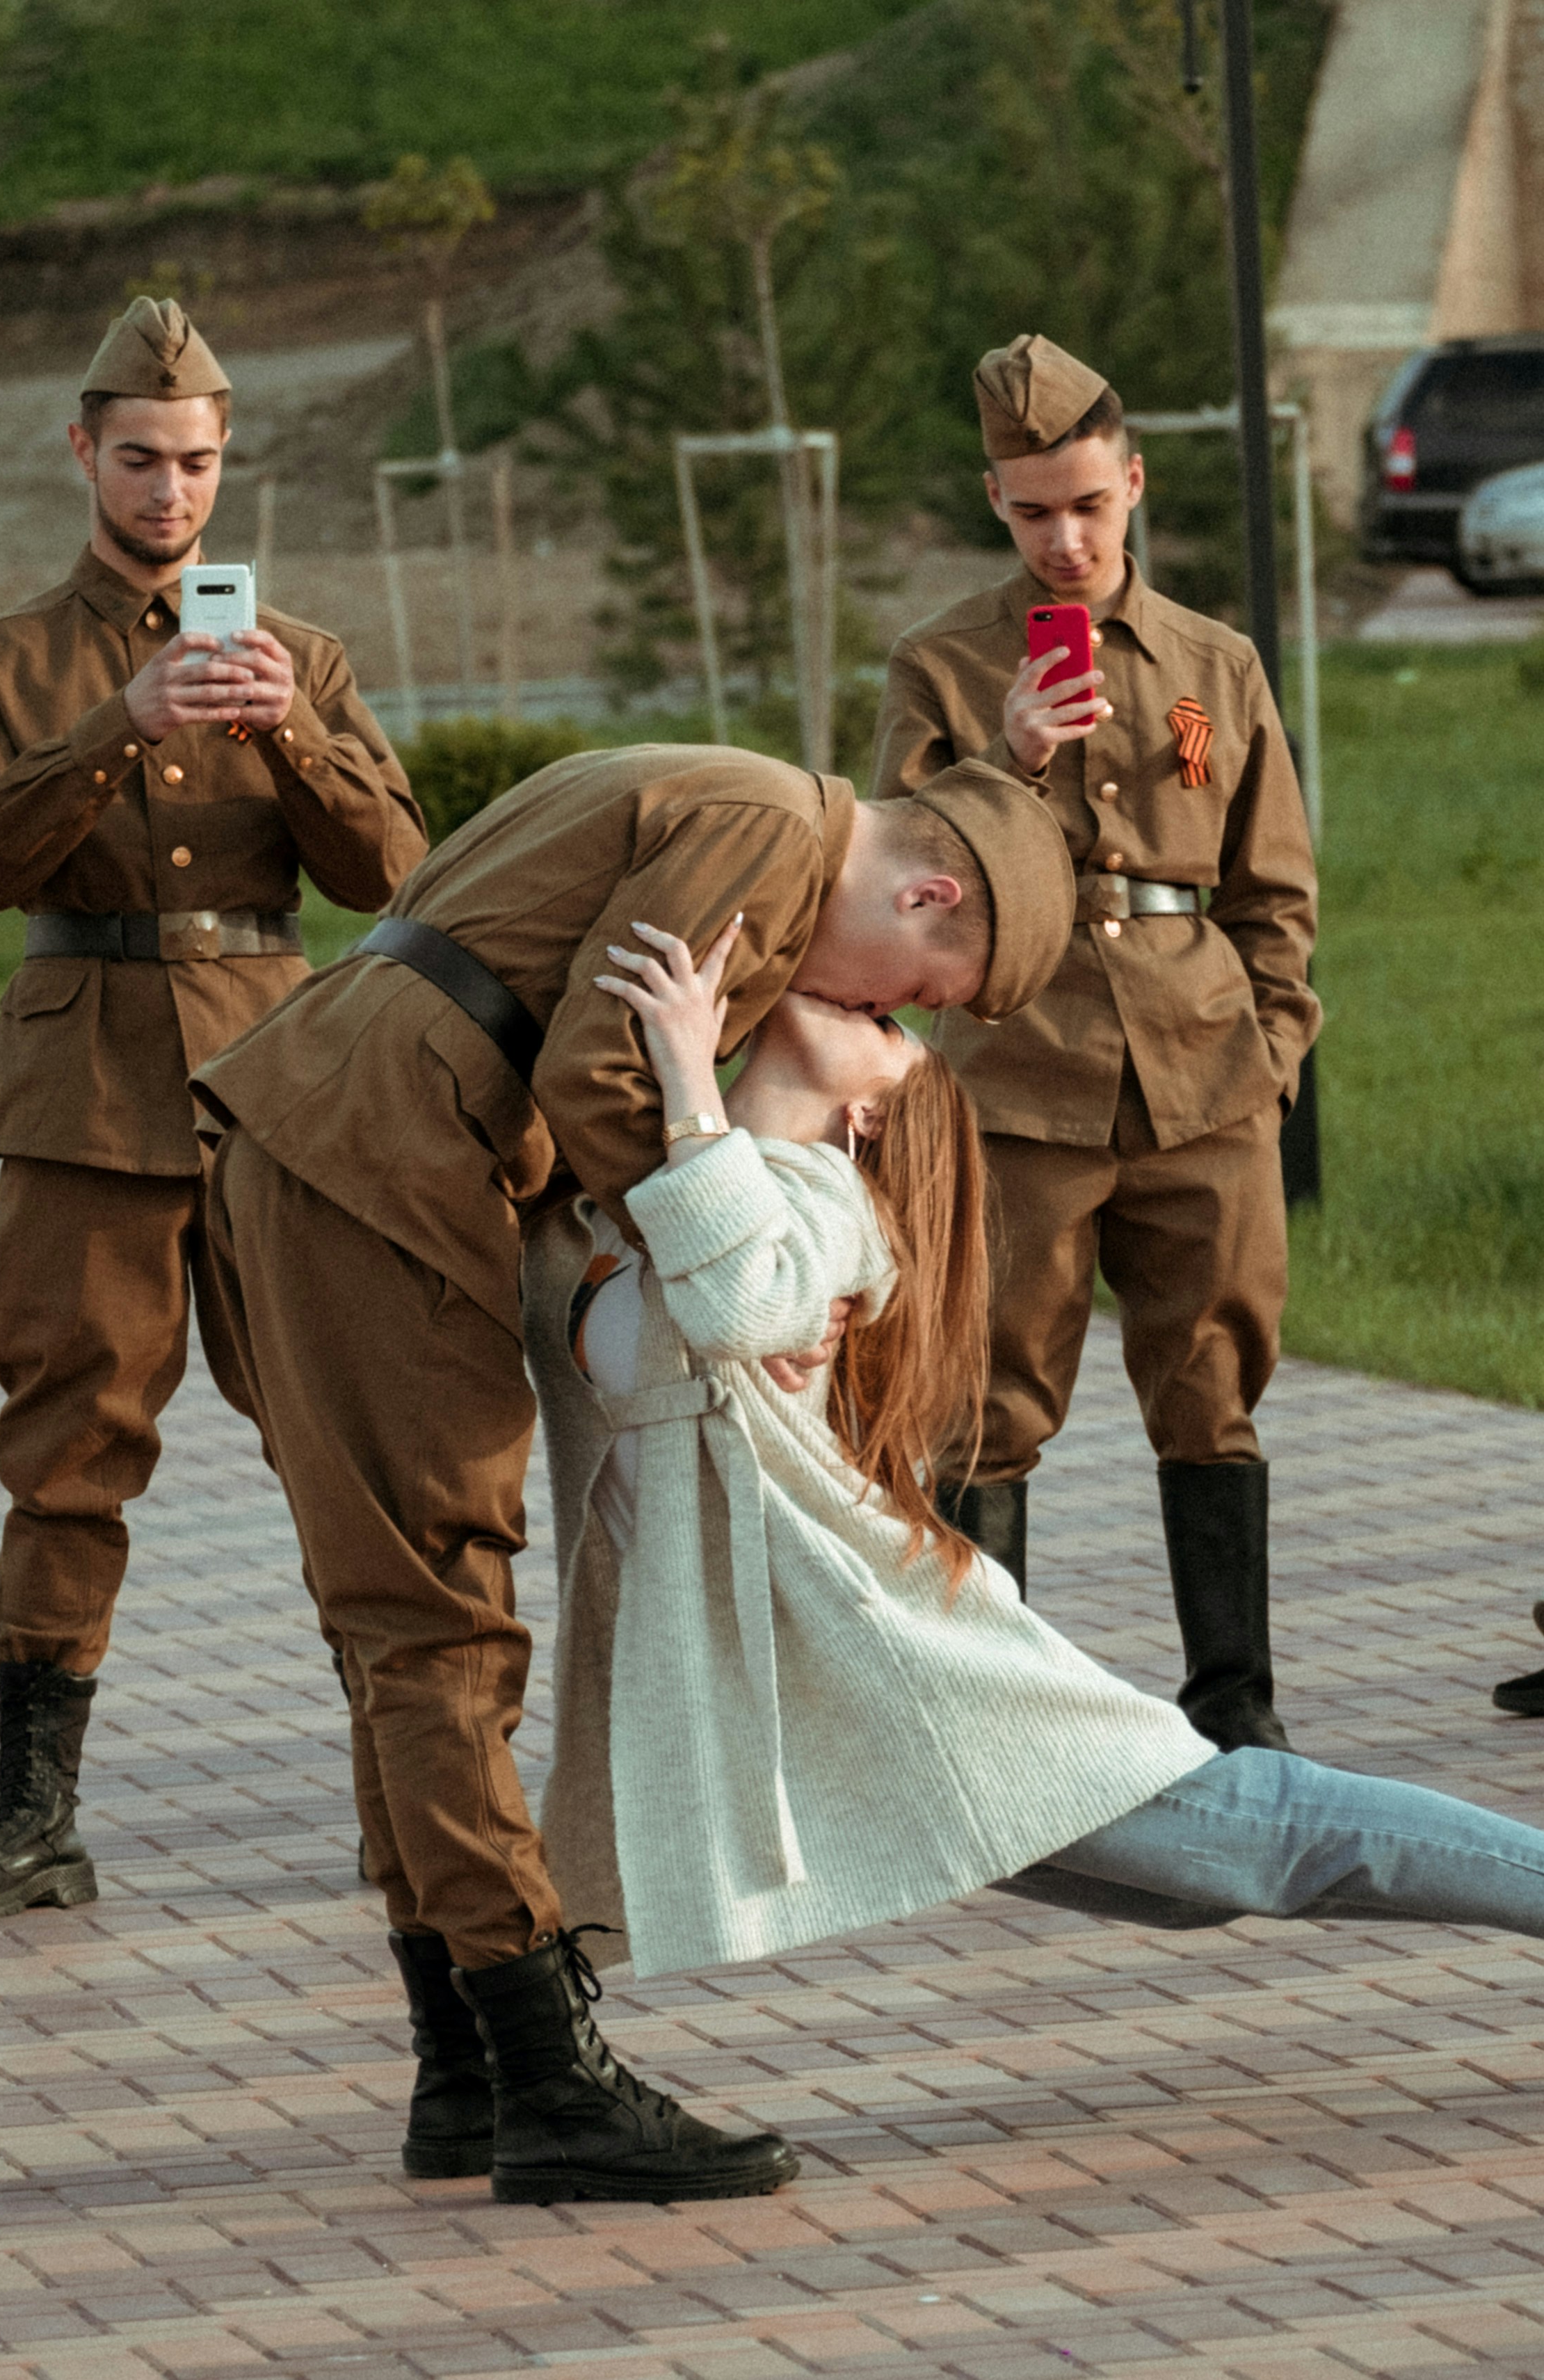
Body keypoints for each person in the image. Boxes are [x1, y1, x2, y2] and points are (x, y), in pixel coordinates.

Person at [191, 743, 1076, 2203]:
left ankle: (464, 2071)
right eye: (914, 993)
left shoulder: (726, 787)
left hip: (339, 1131)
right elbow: (601, 1073)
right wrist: (719, 1293)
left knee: (396, 1626)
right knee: (435, 1632)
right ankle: (545, 2077)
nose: (869, 1011)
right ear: (926, 894)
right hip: (379, 1163)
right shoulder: (777, 840)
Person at [522, 920, 1544, 1979]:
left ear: (867, 1117)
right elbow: (642, 1269)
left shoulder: (826, 1207)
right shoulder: (683, 1194)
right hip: (832, 1690)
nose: (874, 1011)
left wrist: (689, 1063)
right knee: (1192, 1875)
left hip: (910, 1658)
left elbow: (738, 1293)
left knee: (1268, 1834)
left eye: (891, 1025)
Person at [0, 297, 425, 1927]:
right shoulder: (3, 663)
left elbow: (398, 877)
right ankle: (35, 1818)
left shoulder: (307, 656)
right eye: (141, 460)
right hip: (84, 1092)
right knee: (68, 1446)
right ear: (84, 452)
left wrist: (294, 734)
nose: (171, 494)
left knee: (341, 1443)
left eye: (197, 463)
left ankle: (408, 1801)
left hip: (275, 1088)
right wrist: (110, 732)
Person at [870, 332, 1320, 1754]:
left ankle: (1238, 1714)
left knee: (1215, 1390)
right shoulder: (942, 667)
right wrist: (1010, 760)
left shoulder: (1216, 662)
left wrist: (1273, 1051)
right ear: (993, 502)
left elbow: (1275, 890)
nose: (1064, 541)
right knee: (989, 1406)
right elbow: (897, 884)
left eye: (1088, 505)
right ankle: (992, 1728)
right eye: (1030, 511)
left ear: (1134, 485)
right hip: (1019, 1087)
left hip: (1206, 1081)